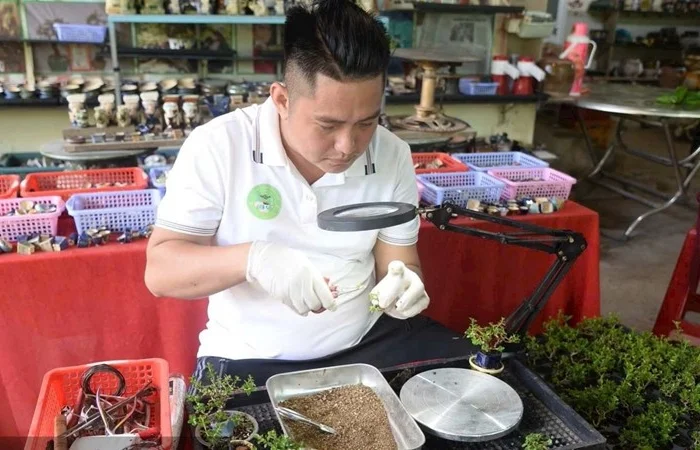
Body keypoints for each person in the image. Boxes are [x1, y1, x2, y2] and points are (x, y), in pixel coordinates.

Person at [145, 0, 475, 385]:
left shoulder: (391, 154)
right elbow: (161, 272)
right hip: (249, 355)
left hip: (366, 342)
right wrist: (254, 260)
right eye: (327, 125)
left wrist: (404, 284)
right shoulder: (219, 146)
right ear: (282, 100)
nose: (348, 146)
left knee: (476, 383)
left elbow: (398, 262)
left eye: (366, 123)